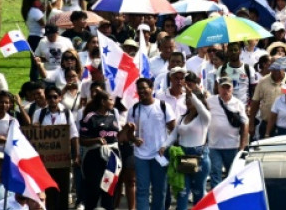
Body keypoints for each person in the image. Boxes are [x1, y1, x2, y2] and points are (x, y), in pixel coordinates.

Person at [125, 78, 176, 210]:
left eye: (144, 88)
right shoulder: (134, 109)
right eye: (139, 89)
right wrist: (134, 139)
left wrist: (166, 146)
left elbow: (174, 129)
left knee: (159, 190)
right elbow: (129, 134)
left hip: (159, 155)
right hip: (141, 156)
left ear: (151, 88)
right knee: (142, 189)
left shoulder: (163, 106)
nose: (141, 91)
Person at [160, 85, 211, 210]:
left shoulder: (204, 118)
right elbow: (174, 134)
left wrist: (192, 95)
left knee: (198, 192)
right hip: (184, 157)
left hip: (199, 157)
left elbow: (201, 108)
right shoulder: (183, 117)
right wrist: (164, 145)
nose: (188, 101)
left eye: (190, 99)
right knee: (182, 190)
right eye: (186, 99)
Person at [78, 90, 120, 210]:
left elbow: (117, 137)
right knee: (94, 191)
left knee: (109, 190)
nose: (113, 102)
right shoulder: (90, 117)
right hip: (93, 157)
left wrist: (128, 130)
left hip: (112, 157)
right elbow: (82, 140)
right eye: (110, 99)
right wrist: (96, 140)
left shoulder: (113, 116)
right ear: (103, 102)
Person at [205, 78, 248, 188]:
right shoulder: (210, 101)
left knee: (232, 175)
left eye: (228, 87)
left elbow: (245, 124)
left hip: (232, 146)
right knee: (215, 174)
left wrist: (242, 146)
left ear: (232, 89)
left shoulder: (238, 104)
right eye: (223, 87)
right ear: (218, 88)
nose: (225, 90)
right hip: (214, 145)